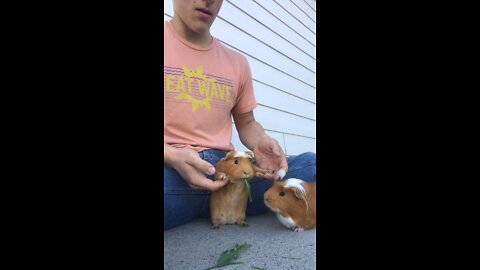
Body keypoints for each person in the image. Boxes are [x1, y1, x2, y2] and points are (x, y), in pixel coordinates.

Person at [164, 0, 316, 230]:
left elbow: (246, 123)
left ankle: (217, 206)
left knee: (310, 163)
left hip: (231, 175)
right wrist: (171, 155)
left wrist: (261, 142)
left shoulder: (237, 63)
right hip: (171, 172)